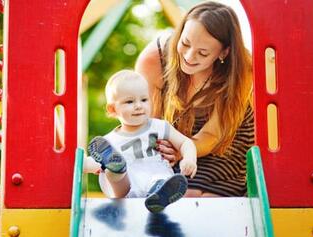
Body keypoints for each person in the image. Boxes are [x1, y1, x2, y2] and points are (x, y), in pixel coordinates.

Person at [135, 1, 254, 197]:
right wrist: (166, 149)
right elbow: (149, 123)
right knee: (168, 189)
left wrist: (183, 150)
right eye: (185, 43)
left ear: (224, 52)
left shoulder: (240, 69)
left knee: (196, 195)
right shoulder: (154, 59)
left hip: (225, 144)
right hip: (175, 140)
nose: (189, 56)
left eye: (203, 53)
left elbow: (212, 135)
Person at [86, 69, 197, 213]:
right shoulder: (109, 141)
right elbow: (90, 164)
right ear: (113, 109)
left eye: (144, 100)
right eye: (130, 101)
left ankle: (159, 196)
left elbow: (185, 143)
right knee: (112, 172)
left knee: (160, 179)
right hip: (124, 190)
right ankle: (115, 168)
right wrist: (85, 165)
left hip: (155, 176)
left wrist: (189, 158)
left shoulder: (159, 126)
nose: (138, 105)